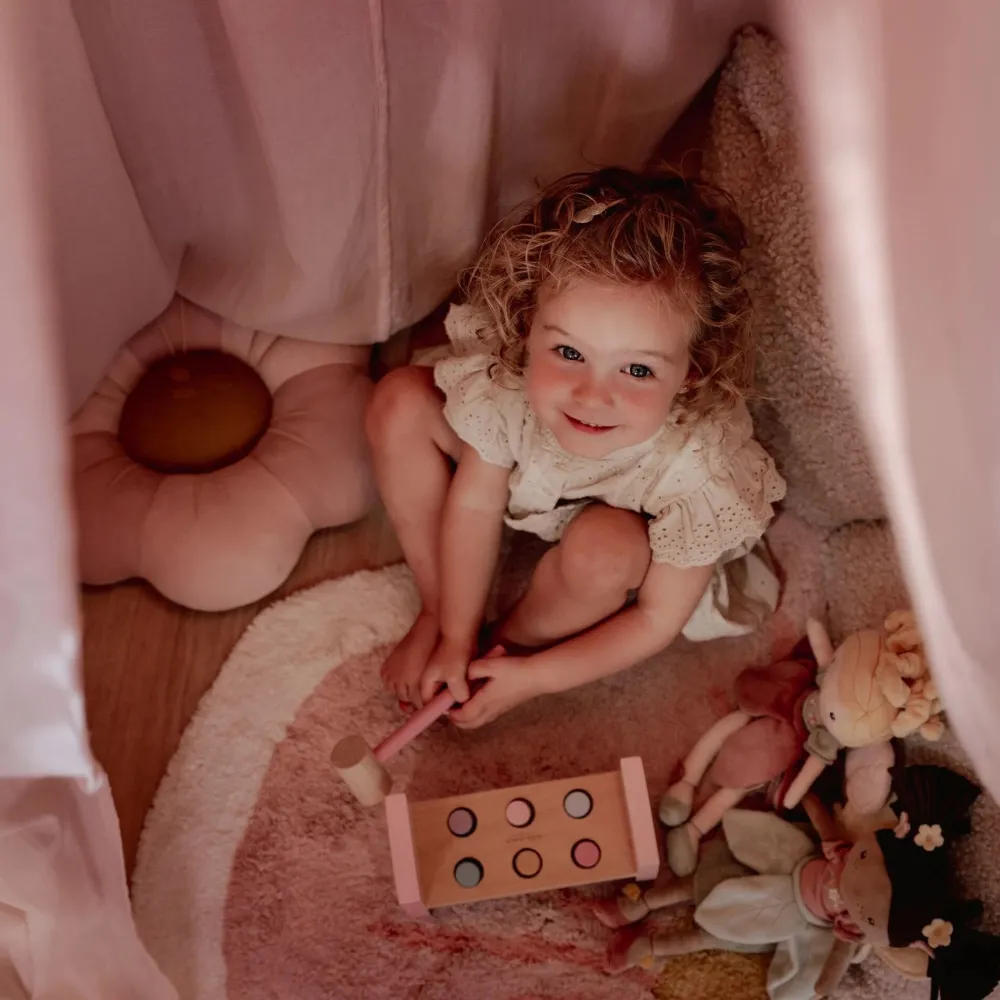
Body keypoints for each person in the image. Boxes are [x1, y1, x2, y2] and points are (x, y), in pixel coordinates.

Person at [365, 165, 786, 729]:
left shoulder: (699, 466)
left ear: (691, 373)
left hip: (616, 526)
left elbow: (655, 621)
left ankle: (503, 651)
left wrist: (531, 677)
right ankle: (439, 613)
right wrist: (452, 634)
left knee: (605, 551)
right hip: (531, 474)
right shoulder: (509, 385)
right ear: (526, 328)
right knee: (399, 401)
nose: (592, 395)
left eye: (637, 370)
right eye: (568, 353)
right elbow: (475, 502)